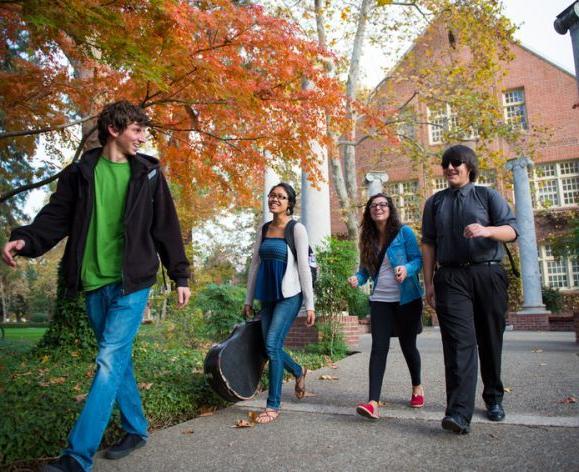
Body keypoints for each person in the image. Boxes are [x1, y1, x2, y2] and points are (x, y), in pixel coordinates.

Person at [2, 101, 191, 471]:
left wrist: (180, 275)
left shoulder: (149, 174)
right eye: (136, 130)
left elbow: (165, 227)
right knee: (115, 359)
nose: (141, 138)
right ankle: (136, 428)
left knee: (107, 359)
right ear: (114, 129)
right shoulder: (81, 172)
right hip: (93, 281)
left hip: (132, 282)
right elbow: (56, 216)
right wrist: (26, 240)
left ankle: (77, 456)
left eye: (143, 132)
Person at [421, 144, 518, 435]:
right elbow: (428, 243)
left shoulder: (486, 195)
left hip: (487, 273)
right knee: (458, 344)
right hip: (450, 278)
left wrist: (486, 230)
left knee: (490, 339)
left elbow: (512, 230)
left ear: (469, 167)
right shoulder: (435, 202)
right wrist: (428, 282)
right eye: (447, 164)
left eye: (457, 163)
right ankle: (459, 414)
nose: (451, 168)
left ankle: (494, 398)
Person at [348, 193, 424, 420]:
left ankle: (417, 386)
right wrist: (356, 279)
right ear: (369, 212)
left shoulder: (404, 232)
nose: (378, 208)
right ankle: (373, 402)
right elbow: (365, 271)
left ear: (390, 208)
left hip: (407, 300)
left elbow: (418, 260)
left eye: (382, 204)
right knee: (378, 348)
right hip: (380, 300)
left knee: (408, 346)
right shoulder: (367, 239)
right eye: (373, 205)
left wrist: (406, 269)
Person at [244, 182, 315, 424]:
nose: (275, 199)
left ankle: (273, 405)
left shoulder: (296, 229)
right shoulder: (263, 229)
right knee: (269, 347)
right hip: (267, 294)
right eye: (272, 195)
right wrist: (248, 299)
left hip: (289, 295)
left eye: (281, 197)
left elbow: (304, 267)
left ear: (289, 203)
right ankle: (297, 370)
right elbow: (255, 265)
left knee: (272, 344)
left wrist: (310, 304)